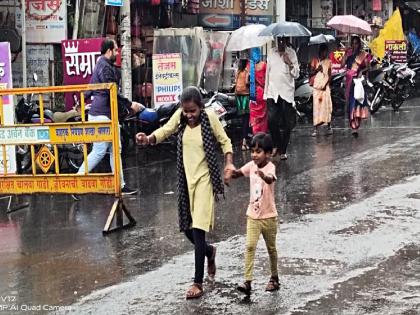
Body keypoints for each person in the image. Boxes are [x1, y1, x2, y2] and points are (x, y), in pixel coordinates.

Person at [136, 86, 235, 299]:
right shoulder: (180, 118)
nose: (189, 116)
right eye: (186, 111)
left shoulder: (210, 119)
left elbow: (225, 142)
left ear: (200, 107)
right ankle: (209, 251)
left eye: (193, 111)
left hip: (205, 180)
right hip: (186, 179)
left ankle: (197, 283)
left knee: (198, 230)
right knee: (187, 229)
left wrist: (228, 165)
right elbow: (165, 131)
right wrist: (148, 139)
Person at [77, 39, 142, 195]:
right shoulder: (105, 67)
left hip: (103, 114)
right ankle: (77, 181)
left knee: (115, 150)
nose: (117, 53)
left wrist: (83, 99)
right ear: (109, 51)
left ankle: (120, 185)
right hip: (102, 116)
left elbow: (92, 86)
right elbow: (110, 92)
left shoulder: (100, 65)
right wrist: (129, 104)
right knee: (100, 151)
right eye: (116, 50)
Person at [231, 132, 279, 295]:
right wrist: (230, 172)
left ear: (269, 153)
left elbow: (270, 179)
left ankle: (274, 278)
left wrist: (263, 175)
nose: (254, 155)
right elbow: (239, 173)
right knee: (250, 246)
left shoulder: (270, 167)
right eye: (253, 151)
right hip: (253, 215)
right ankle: (248, 281)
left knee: (271, 248)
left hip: (269, 216)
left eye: (258, 151)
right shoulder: (251, 165)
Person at [264, 37, 300, 160]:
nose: (280, 43)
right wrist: (265, 93)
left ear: (285, 41)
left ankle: (283, 150)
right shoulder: (271, 53)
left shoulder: (291, 53)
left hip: (286, 93)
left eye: (282, 40)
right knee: (271, 120)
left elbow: (296, 74)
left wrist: (289, 62)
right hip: (272, 92)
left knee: (287, 123)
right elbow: (268, 74)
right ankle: (277, 144)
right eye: (278, 40)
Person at [342, 36, 371, 137]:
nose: (354, 45)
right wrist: (345, 55)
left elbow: (368, 68)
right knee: (351, 104)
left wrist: (361, 72)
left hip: (358, 82)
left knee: (357, 103)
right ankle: (353, 126)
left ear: (359, 44)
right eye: (353, 43)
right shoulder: (348, 53)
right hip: (350, 82)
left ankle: (356, 125)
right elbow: (342, 65)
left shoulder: (363, 55)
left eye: (356, 43)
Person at [310, 43, 333, 136]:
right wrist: (316, 70)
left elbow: (330, 75)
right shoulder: (315, 61)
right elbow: (310, 73)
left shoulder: (328, 62)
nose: (325, 53)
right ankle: (315, 129)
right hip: (317, 88)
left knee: (327, 107)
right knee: (316, 108)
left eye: (326, 52)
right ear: (320, 51)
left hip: (325, 88)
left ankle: (329, 126)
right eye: (323, 51)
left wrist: (326, 84)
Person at [248, 47, 268, 135]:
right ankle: (262, 135)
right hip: (262, 93)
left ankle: (255, 135)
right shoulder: (264, 65)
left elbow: (247, 81)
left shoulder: (250, 66)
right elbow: (267, 80)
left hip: (253, 94)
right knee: (263, 117)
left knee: (254, 116)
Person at [235, 59, 251, 150]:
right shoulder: (246, 72)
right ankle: (244, 142)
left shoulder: (238, 72)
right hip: (245, 96)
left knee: (242, 120)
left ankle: (243, 141)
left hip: (238, 97)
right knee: (246, 119)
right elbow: (246, 83)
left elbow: (236, 83)